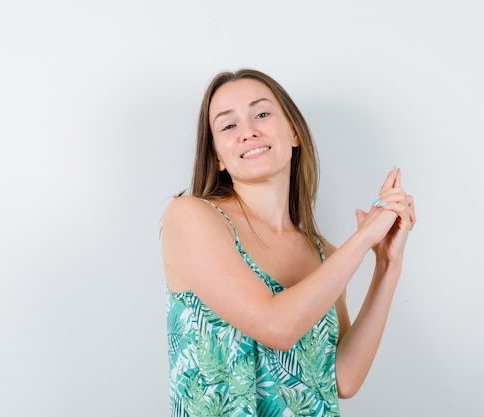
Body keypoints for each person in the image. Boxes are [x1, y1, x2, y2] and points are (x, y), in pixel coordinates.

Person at [161, 68, 416, 416]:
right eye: (228, 125)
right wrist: (363, 238)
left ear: (294, 132)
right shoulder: (191, 217)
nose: (248, 131)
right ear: (217, 156)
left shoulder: (324, 254)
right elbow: (275, 327)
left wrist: (387, 265)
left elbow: (343, 379)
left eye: (261, 114)